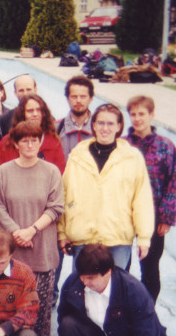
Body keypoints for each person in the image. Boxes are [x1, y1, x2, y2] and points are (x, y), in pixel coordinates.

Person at [0, 121, 64, 336]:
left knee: (40, 301)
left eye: (35, 139)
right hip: (12, 248)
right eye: (25, 140)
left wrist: (31, 230)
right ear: (16, 143)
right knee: (11, 298)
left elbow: (56, 207)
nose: (30, 144)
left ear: (41, 141)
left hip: (41, 246)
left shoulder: (51, 171)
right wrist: (16, 233)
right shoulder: (4, 171)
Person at [57, 104, 154, 271]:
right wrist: (62, 232)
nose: (105, 128)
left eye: (110, 124)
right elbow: (64, 193)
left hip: (117, 239)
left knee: (114, 291)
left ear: (118, 127)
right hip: (83, 238)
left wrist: (144, 237)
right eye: (100, 123)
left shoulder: (132, 158)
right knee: (83, 290)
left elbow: (142, 199)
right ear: (93, 125)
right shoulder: (77, 155)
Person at [124, 95, 176, 302]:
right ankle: (125, 308)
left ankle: (147, 310)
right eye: (133, 114)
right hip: (125, 211)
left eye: (142, 114)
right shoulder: (123, 144)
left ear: (151, 115)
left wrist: (166, 217)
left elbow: (172, 182)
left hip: (155, 213)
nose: (137, 119)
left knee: (150, 265)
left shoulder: (166, 146)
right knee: (123, 262)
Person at [0, 93, 66, 176]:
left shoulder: (53, 142)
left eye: (39, 110)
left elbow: (60, 175)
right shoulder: (7, 142)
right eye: (30, 111)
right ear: (22, 114)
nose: (35, 114)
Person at [57, 75, 94, 158]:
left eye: (83, 96)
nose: (78, 101)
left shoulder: (99, 129)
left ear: (91, 99)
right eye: (74, 96)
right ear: (67, 99)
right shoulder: (56, 128)